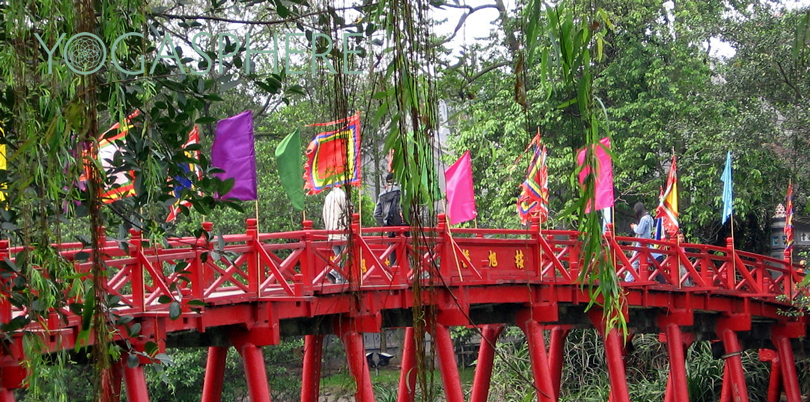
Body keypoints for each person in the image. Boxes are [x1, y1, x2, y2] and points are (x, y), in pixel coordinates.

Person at [374, 173, 406, 266]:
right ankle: (403, 272)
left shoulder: (382, 195)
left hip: (390, 227)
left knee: (392, 250)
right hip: (403, 227)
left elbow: (376, 214)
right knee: (406, 250)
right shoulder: (403, 192)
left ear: (387, 182)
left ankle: (393, 271)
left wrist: (385, 224)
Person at [628, 202, 663, 282]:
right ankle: (631, 279)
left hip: (641, 243)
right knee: (635, 262)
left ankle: (629, 280)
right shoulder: (650, 218)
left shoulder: (644, 219)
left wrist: (634, 227)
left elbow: (639, 230)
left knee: (634, 262)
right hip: (646, 242)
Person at [323, 186, 348, 283]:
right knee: (344, 255)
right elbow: (346, 212)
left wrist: (328, 229)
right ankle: (333, 271)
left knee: (338, 255)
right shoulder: (341, 194)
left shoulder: (328, 196)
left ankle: (339, 280)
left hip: (331, 231)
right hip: (341, 230)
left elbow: (324, 214)